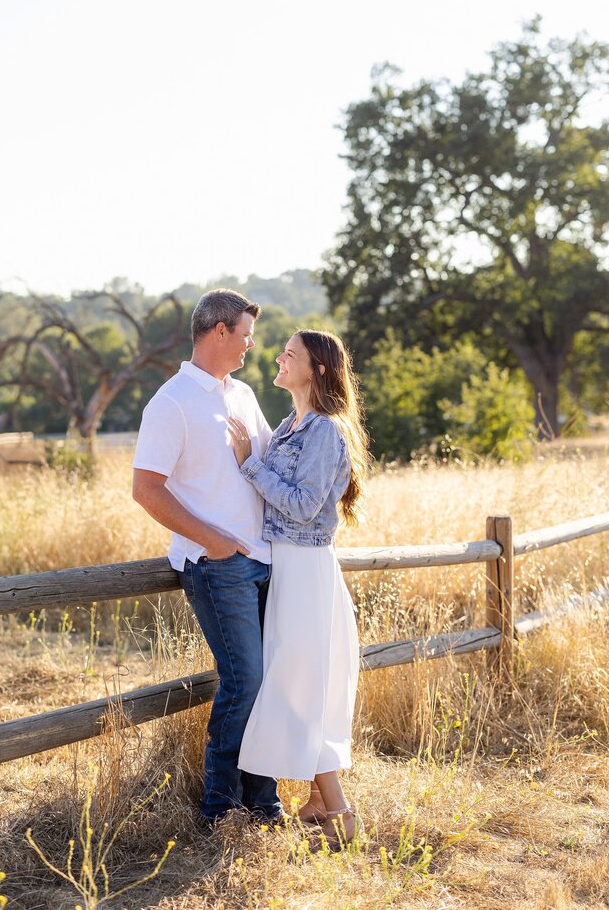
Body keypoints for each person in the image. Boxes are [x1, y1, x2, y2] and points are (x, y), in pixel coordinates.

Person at [132, 288, 282, 825]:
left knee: (268, 684)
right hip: (219, 567)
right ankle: (220, 808)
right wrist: (213, 542)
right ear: (219, 331)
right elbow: (146, 489)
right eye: (244, 335)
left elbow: (268, 459)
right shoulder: (170, 402)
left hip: (266, 561)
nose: (249, 345)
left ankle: (263, 803)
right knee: (246, 682)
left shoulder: (242, 394)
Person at [226, 328, 367, 847]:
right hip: (286, 565)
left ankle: (341, 811)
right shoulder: (291, 422)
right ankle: (316, 801)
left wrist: (248, 464)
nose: (280, 358)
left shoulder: (324, 431)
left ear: (318, 369)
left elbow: (305, 505)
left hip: (306, 568)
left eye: (291, 354)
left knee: (297, 684)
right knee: (299, 681)